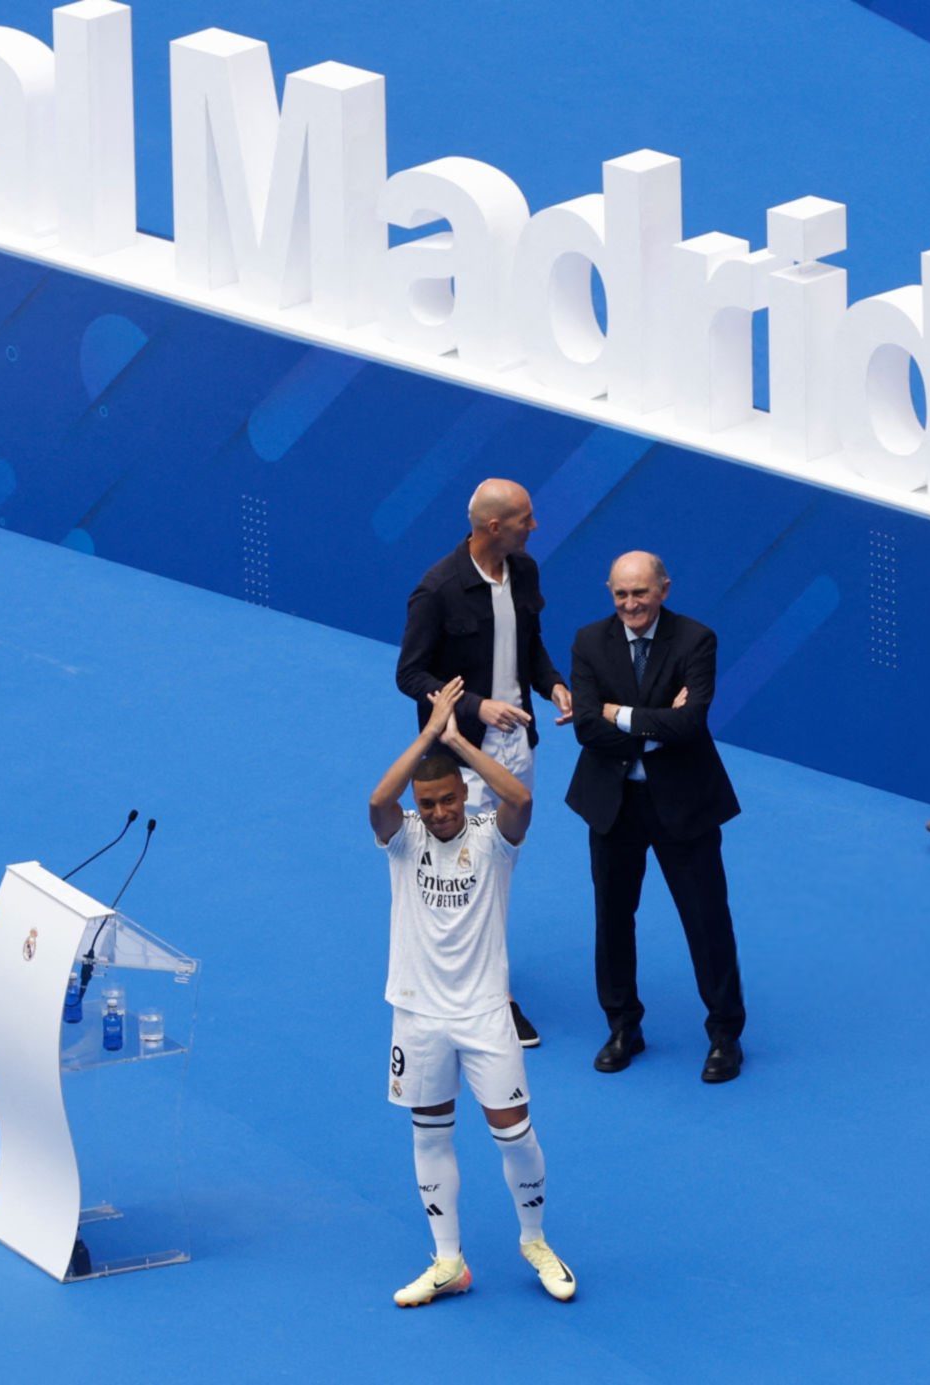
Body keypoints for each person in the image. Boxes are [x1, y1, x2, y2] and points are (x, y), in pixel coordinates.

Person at [369, 676, 577, 1307]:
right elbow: (378, 799)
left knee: (515, 1133)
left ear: (464, 794)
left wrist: (459, 741)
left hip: (485, 1012)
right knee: (429, 1134)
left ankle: (534, 1241)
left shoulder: (492, 840)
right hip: (418, 1013)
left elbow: (521, 799)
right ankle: (448, 1262)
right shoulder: (402, 839)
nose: (438, 813)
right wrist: (429, 735)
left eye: (447, 800)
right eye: (427, 803)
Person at [397, 478, 574, 1046]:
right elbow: (411, 674)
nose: (535, 526)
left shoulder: (524, 572)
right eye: (526, 518)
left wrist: (552, 684)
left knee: (500, 869)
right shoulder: (437, 590)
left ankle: (472, 971)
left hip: (517, 751)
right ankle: (494, 996)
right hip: (463, 758)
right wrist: (476, 705)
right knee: (468, 873)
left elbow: (529, 644)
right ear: (494, 527)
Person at [565, 552, 747, 1083]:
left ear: (664, 589)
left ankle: (725, 1035)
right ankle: (623, 1026)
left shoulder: (696, 640)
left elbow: (691, 724)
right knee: (612, 919)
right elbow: (585, 728)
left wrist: (618, 714)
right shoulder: (588, 641)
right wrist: (657, 722)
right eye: (621, 594)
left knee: (707, 921)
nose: (630, 604)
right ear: (609, 591)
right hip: (613, 805)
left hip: (684, 805)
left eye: (640, 593)